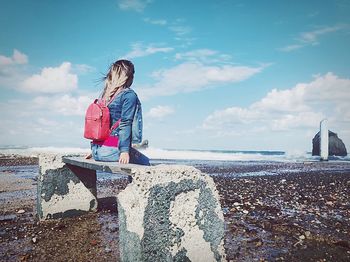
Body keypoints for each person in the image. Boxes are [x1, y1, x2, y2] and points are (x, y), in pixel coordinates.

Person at [89, 59, 150, 165]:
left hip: (97, 150)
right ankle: (132, 182)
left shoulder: (106, 95)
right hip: (110, 151)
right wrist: (124, 151)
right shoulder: (129, 95)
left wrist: (96, 152)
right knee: (145, 162)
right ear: (129, 77)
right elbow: (125, 123)